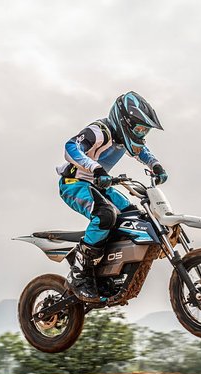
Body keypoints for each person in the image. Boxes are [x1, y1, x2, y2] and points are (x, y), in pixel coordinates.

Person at [56, 91, 168, 302]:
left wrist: (155, 165)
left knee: (134, 217)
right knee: (105, 215)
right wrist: (95, 168)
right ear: (125, 121)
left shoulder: (123, 139)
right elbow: (70, 147)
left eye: (145, 130)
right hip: (74, 183)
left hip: (100, 184)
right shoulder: (100, 131)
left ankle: (109, 269)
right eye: (140, 129)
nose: (142, 134)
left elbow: (140, 151)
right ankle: (80, 271)